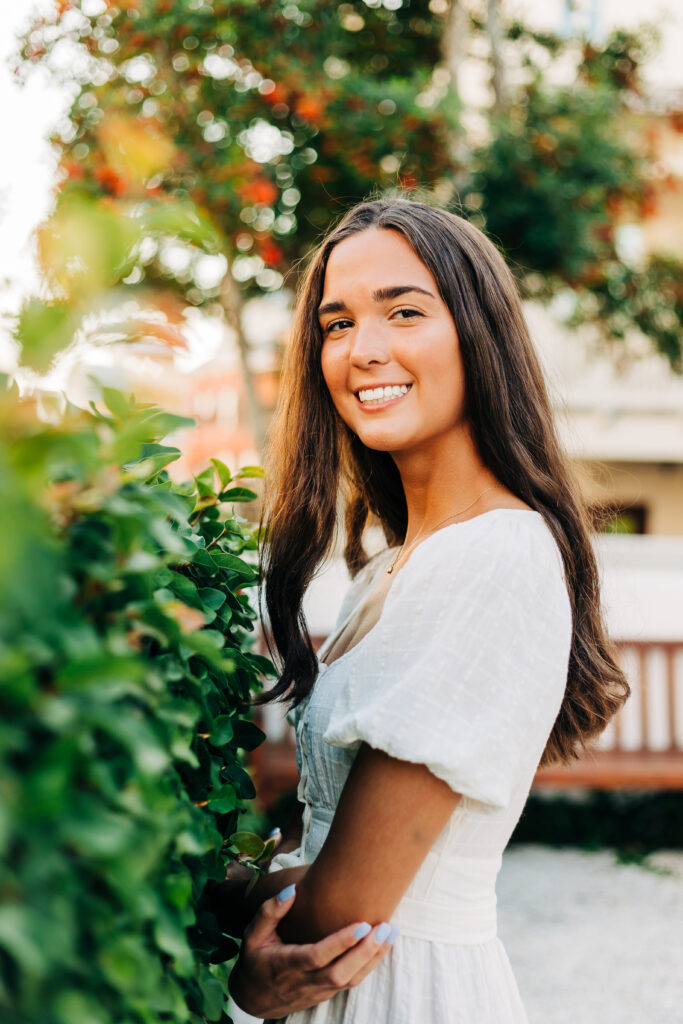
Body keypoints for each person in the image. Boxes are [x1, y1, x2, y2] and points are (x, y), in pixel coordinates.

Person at [211, 197, 629, 1023]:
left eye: (404, 311)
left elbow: (345, 908)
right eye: (335, 325)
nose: (363, 351)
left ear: (478, 333)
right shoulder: (396, 566)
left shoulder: (493, 557)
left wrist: (236, 962)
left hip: (400, 992)